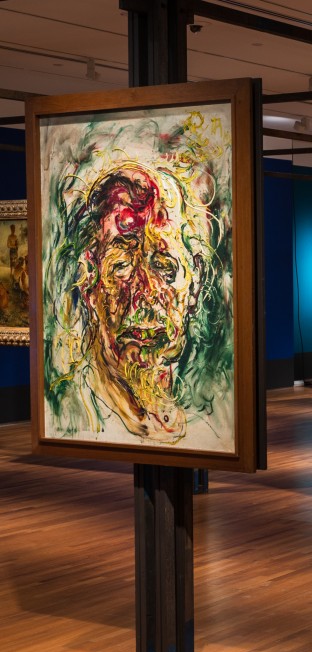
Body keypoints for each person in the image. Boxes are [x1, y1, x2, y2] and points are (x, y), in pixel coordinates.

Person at [42, 114, 234, 451]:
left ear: (195, 281)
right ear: (89, 282)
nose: (145, 296)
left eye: (164, 267)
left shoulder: (209, 418)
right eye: (121, 268)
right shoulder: (78, 412)